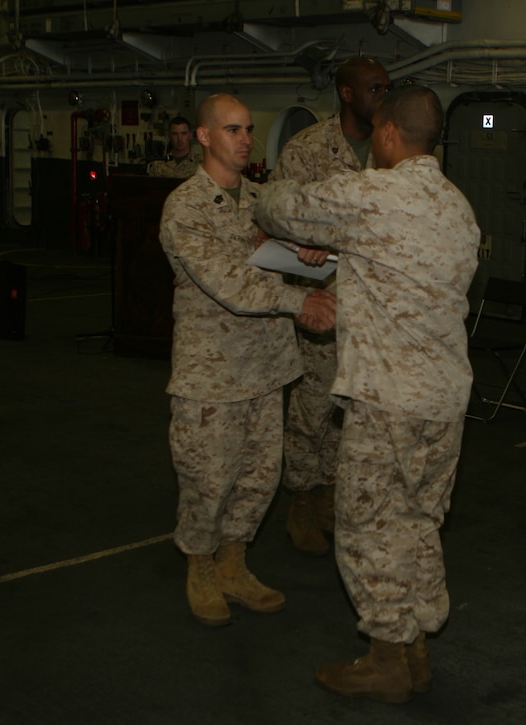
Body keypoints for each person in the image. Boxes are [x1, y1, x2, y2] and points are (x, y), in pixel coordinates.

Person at [256, 84, 479, 703]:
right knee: (418, 523)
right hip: (445, 399)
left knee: (366, 526)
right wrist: (341, 249)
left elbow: (282, 209)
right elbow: (392, 262)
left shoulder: (372, 194)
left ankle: (385, 658)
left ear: (385, 134)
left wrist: (266, 193)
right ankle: (414, 646)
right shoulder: (458, 207)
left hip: (389, 400)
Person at [159, 93, 336, 627]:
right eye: (231, 130)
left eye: (248, 130)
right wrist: (298, 300)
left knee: (260, 477)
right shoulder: (184, 208)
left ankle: (234, 565)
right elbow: (229, 283)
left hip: (266, 369)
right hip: (211, 374)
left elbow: (295, 252)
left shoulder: (262, 199)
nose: (243, 140)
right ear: (205, 136)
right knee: (208, 480)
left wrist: (309, 254)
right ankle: (201, 569)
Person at [268, 57, 392, 556]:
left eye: (387, 87)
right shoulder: (308, 150)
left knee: (352, 409)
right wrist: (306, 240)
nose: (382, 95)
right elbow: (277, 213)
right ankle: (300, 497)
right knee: (313, 405)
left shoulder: (394, 151)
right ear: (345, 93)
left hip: (373, 309)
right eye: (373, 87)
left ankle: (329, 495)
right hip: (323, 303)